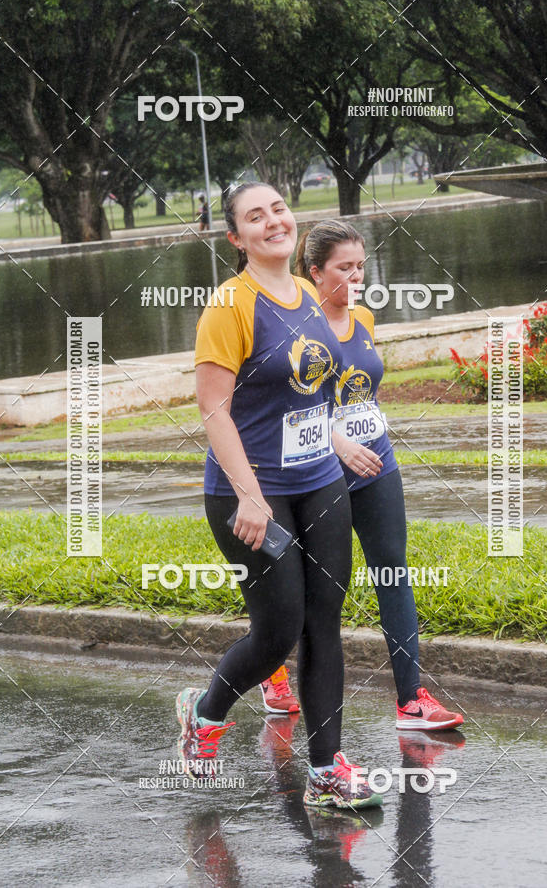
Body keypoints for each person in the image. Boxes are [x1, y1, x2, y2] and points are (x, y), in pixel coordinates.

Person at [176, 184, 382, 809]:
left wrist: (340, 440)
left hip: (318, 482)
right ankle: (205, 716)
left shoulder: (312, 299)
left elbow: (316, 389)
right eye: (254, 216)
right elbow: (213, 409)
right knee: (278, 630)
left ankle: (327, 768)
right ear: (236, 237)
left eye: (278, 210)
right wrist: (249, 494)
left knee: (325, 623)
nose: (273, 222)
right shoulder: (229, 305)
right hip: (249, 494)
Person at [261, 220, 464, 731]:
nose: (356, 277)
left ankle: (411, 700)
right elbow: (288, 401)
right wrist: (337, 441)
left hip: (377, 465)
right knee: (306, 591)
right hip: (317, 473)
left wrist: (365, 433)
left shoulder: (365, 318)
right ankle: (271, 671)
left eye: (360, 267)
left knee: (393, 572)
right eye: (343, 268)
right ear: (313, 272)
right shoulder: (298, 328)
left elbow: (362, 390)